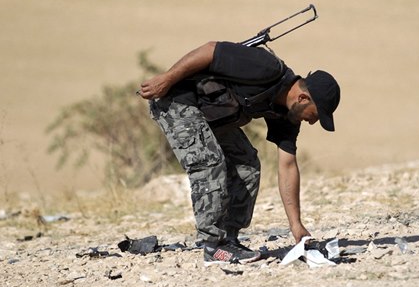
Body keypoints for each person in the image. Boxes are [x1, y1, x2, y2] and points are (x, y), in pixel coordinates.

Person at [138, 41, 340, 266]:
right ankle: (213, 246)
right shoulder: (267, 68)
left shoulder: (286, 116)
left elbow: (287, 166)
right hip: (176, 101)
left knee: (247, 163)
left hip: (209, 116)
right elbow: (210, 50)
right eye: (315, 115)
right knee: (208, 161)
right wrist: (166, 79)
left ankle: (229, 239)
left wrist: (296, 225)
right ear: (303, 98)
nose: (312, 121)